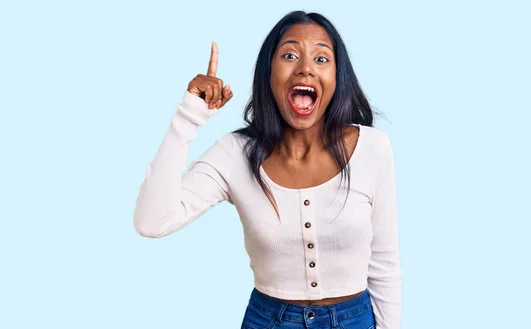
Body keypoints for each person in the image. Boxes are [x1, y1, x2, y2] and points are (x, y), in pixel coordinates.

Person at [133, 10, 403, 329]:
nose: (305, 68)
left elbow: (384, 263)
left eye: (321, 59)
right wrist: (189, 116)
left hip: (355, 319)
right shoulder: (235, 154)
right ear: (269, 72)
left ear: (337, 75)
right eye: (289, 55)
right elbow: (152, 221)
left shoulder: (372, 147)